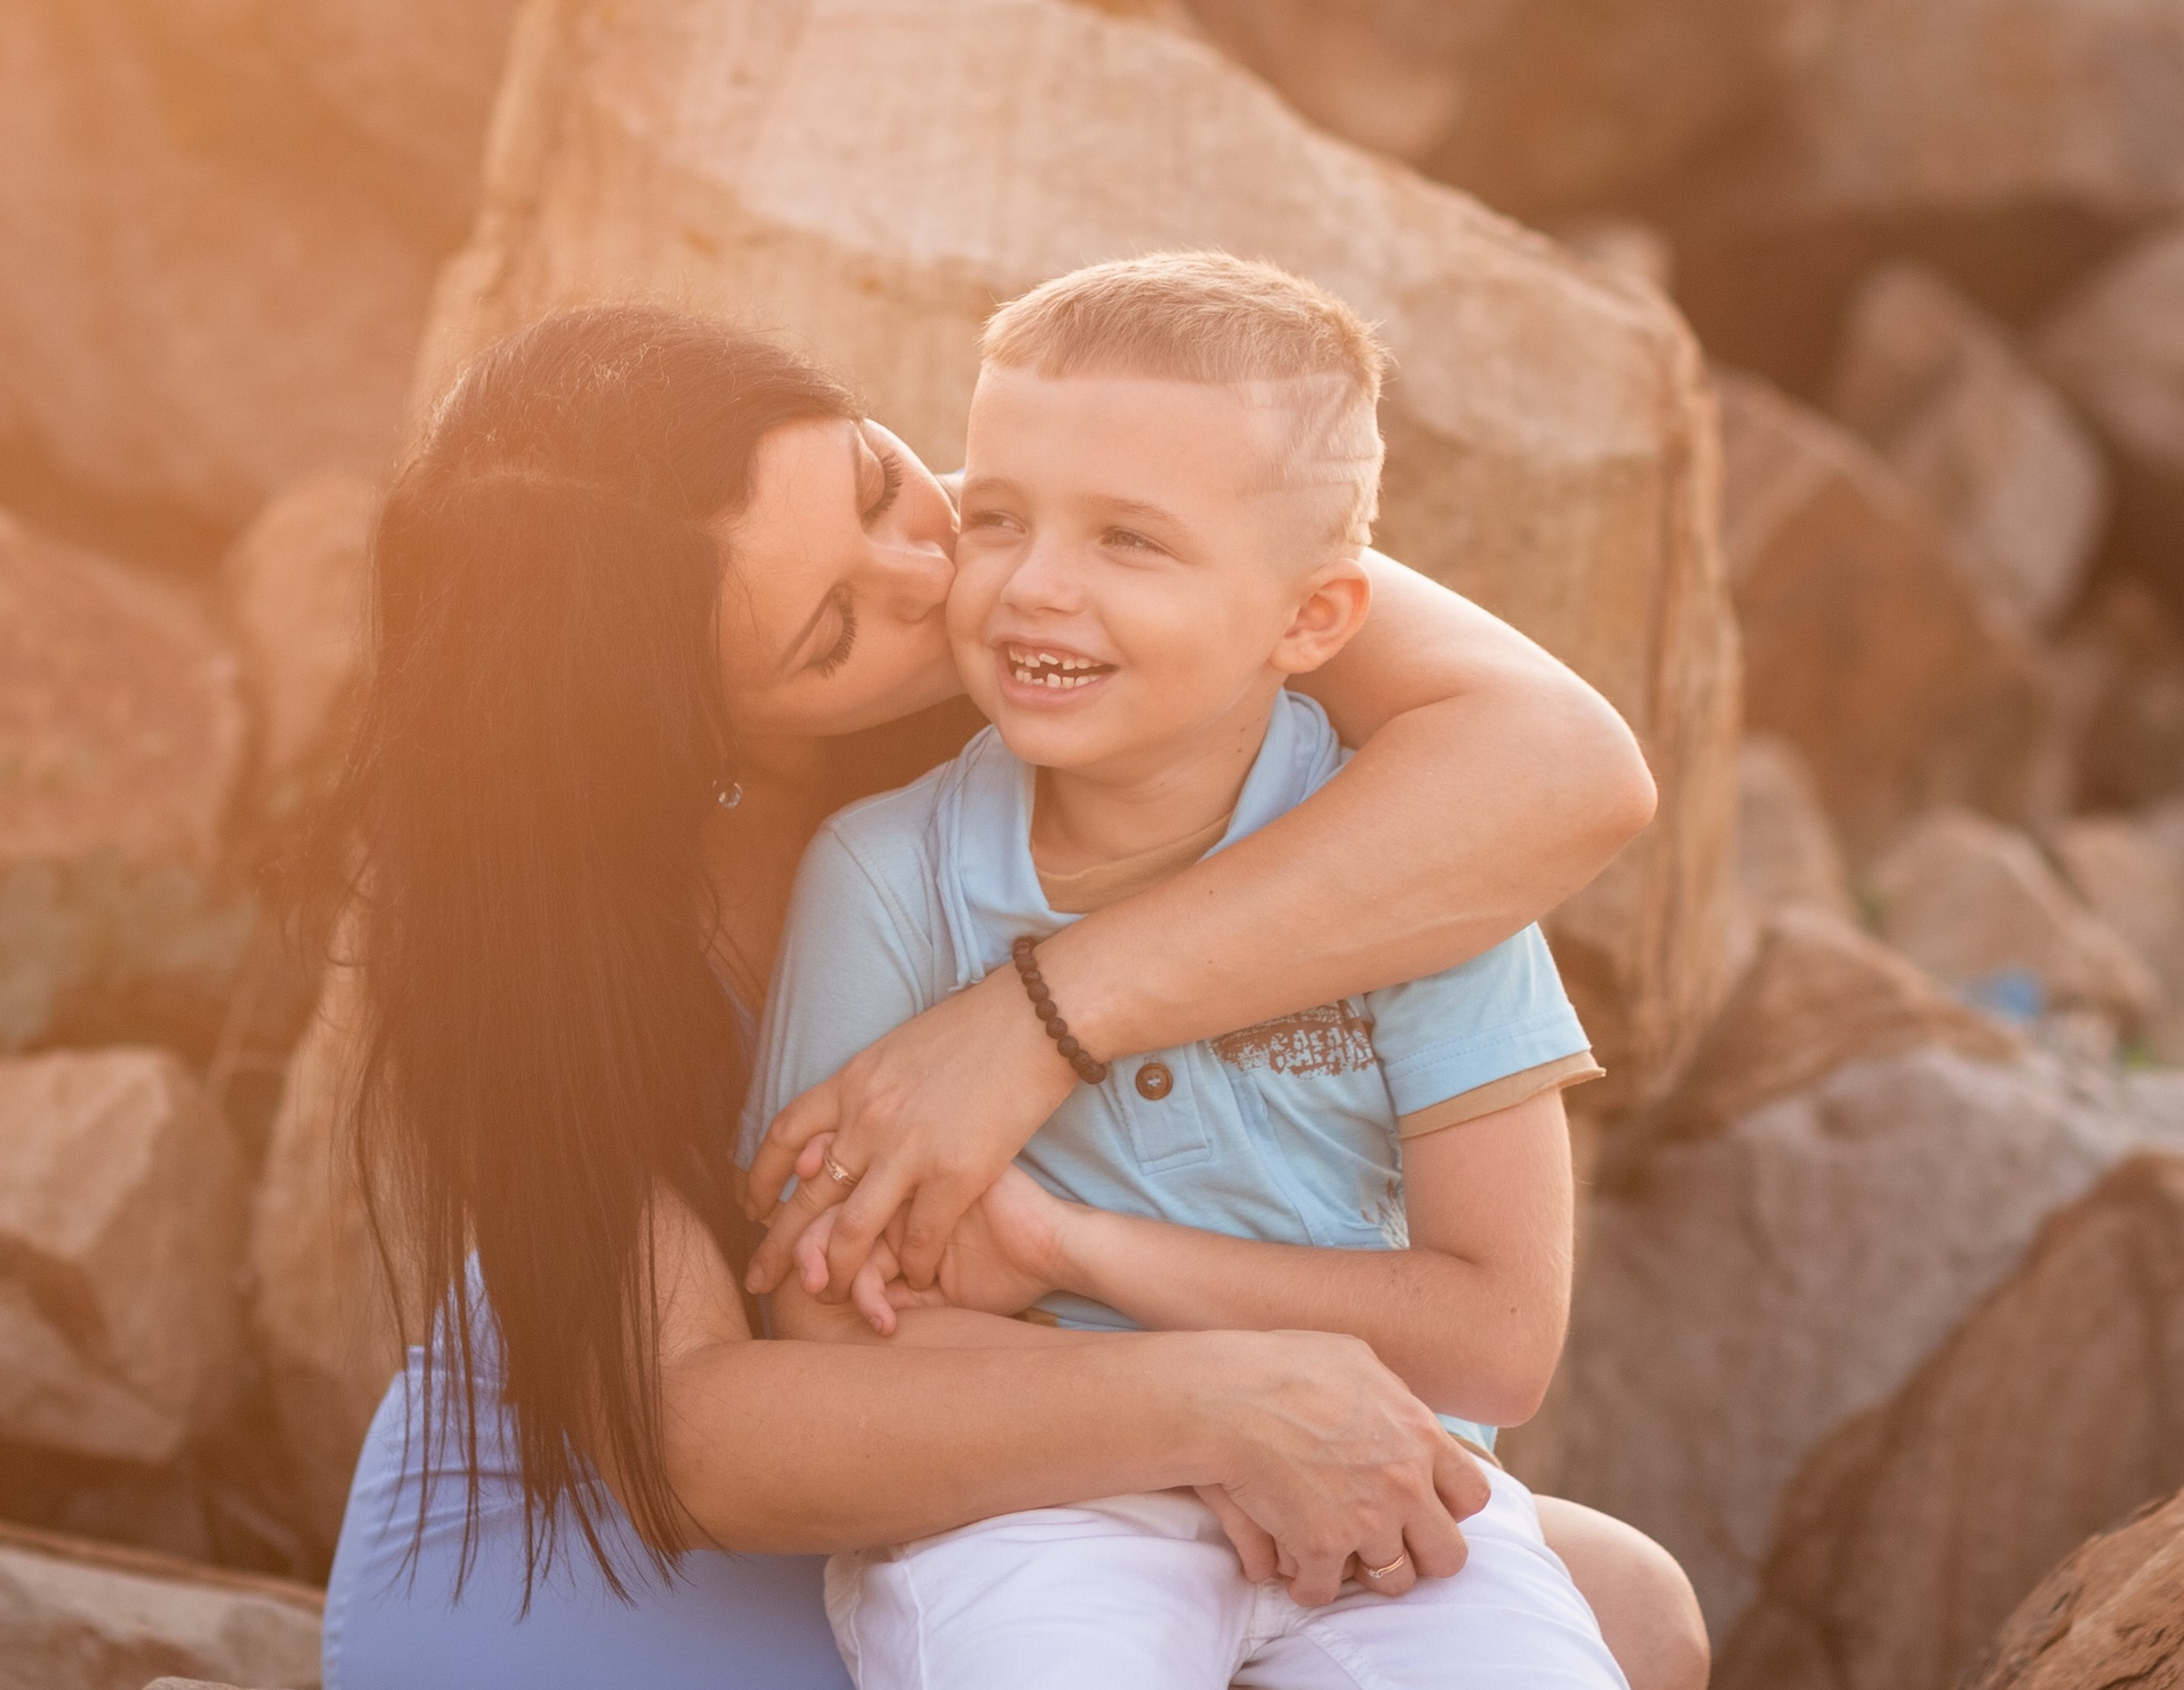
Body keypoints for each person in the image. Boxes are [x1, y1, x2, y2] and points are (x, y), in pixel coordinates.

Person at [315, 301, 1708, 1689]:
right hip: (622, 1578)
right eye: (830, 632)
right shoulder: (573, 926)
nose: (935, 572)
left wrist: (1039, 1021)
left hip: (1011, 1457)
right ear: (688, 729)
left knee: (1628, 1611)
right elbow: (702, 1433)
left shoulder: (1067, 565)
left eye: (878, 479)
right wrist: (1229, 1402)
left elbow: (1569, 768)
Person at [747, 253, 1626, 1688]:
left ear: (1312, 619)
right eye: (999, 516)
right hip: (1032, 1509)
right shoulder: (885, 875)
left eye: (1129, 541)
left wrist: (1073, 1250)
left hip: (1392, 1507)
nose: (1036, 586)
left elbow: (1497, 1345)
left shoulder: (1424, 868)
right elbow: (831, 1324)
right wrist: (1196, 1412)